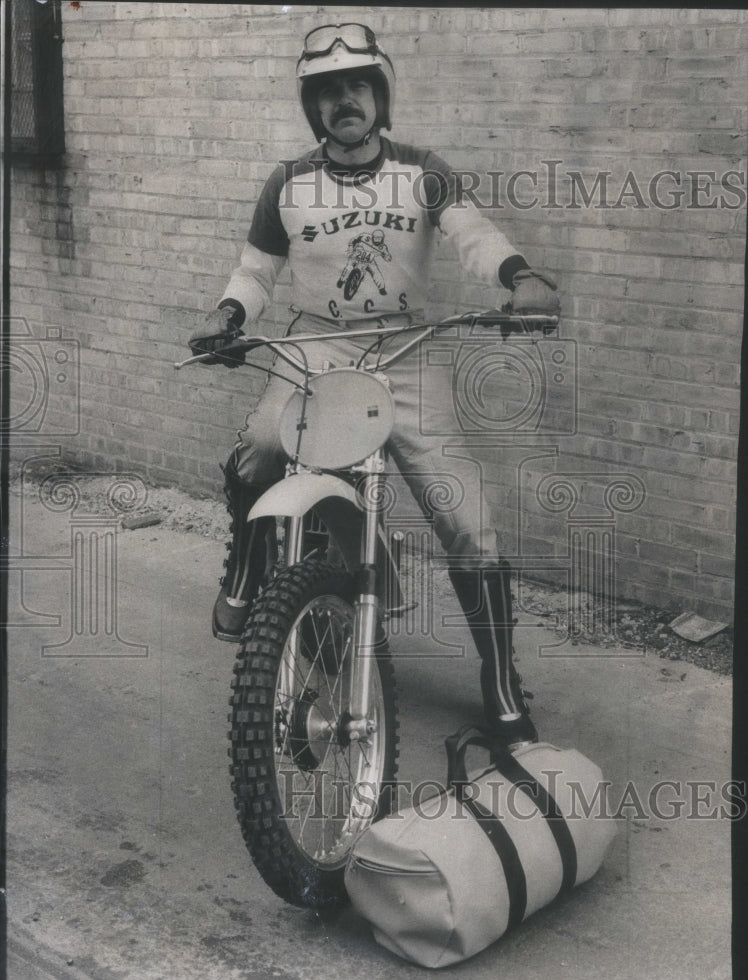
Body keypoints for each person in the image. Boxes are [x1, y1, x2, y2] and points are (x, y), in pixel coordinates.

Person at [188, 23, 559, 748]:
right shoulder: (287, 182)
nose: (343, 101)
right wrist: (229, 313)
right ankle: (247, 565)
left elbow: (473, 233)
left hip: (406, 347)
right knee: (261, 448)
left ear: (380, 95)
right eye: (326, 91)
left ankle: (501, 678)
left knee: (466, 518)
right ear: (313, 107)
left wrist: (519, 278)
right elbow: (257, 269)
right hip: (315, 344)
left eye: (357, 85)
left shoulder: (422, 170)